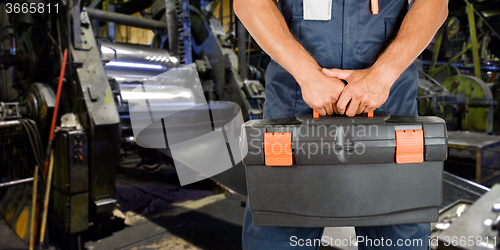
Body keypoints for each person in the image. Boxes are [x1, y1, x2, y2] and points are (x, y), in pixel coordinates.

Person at [234, 0, 448, 249]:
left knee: (397, 233)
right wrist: (308, 75)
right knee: (278, 231)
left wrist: (383, 74)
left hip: (388, 100)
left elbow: (434, 3)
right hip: (295, 100)